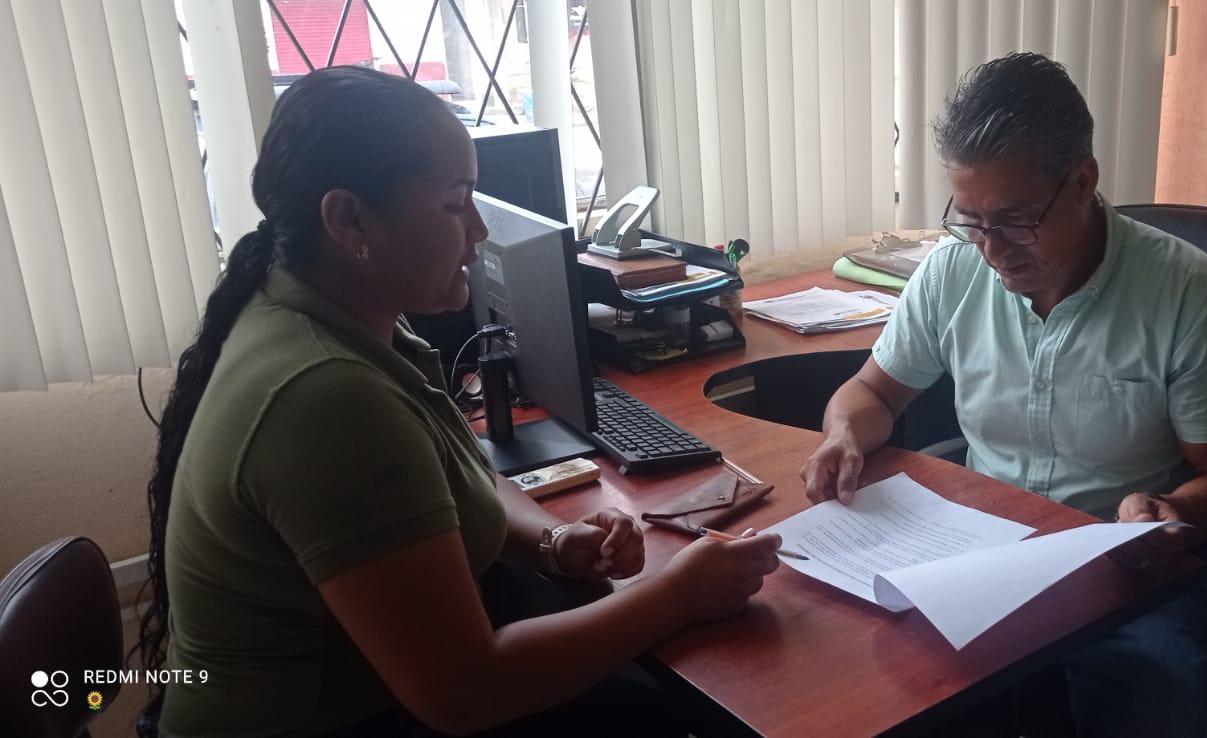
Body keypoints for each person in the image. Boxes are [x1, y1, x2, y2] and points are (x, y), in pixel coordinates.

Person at [136, 66, 781, 737]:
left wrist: (555, 542)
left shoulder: (339, 318)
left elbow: (459, 471)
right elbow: (467, 693)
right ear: (349, 219)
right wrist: (678, 593)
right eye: (455, 204)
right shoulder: (326, 395)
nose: (477, 230)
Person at [801, 52, 1207, 737]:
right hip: (983, 546)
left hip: (1123, 562)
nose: (991, 249)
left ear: (1083, 181)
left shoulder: (1189, 297)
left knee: (1153, 683)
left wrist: (1171, 513)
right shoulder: (951, 272)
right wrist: (843, 434)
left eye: (1015, 220)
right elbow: (871, 392)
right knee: (863, 671)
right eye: (971, 220)